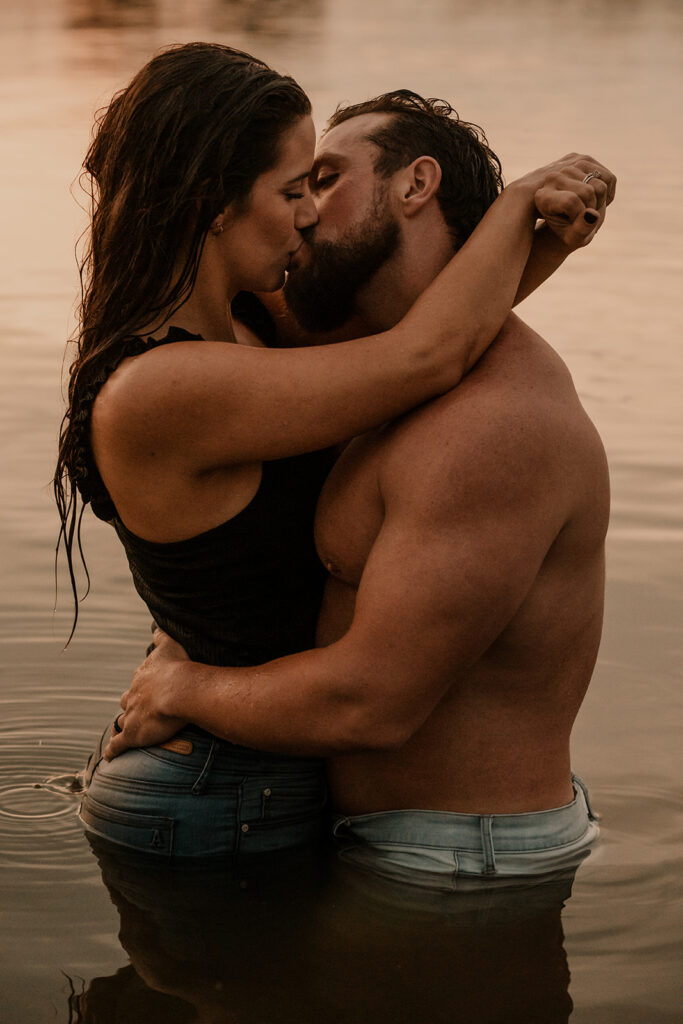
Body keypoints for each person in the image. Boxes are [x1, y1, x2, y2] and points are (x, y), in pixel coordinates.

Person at [60, 41, 612, 859]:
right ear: (215, 201)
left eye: (317, 184)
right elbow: (423, 354)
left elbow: (413, 324)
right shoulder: (165, 387)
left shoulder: (246, 330)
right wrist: (519, 202)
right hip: (215, 787)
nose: (306, 215)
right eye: (292, 189)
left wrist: (544, 241)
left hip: (253, 784)